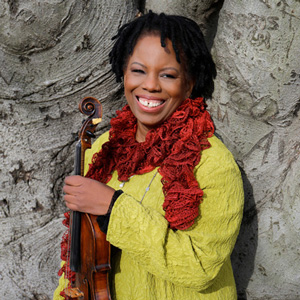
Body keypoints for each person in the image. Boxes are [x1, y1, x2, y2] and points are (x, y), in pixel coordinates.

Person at [53, 11, 244, 300]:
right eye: (139, 71)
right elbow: (76, 261)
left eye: (168, 75)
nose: (151, 85)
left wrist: (113, 207)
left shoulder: (212, 163)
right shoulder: (104, 149)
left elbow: (200, 267)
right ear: (124, 73)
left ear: (189, 83)